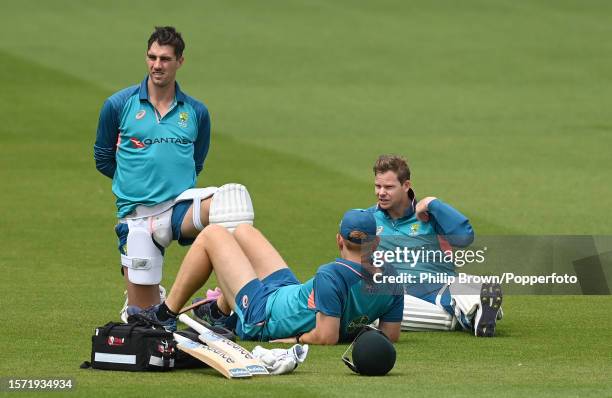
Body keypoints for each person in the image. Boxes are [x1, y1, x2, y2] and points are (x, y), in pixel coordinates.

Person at [93, 26, 254, 321]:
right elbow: (103, 158)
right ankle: (151, 301)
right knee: (145, 320)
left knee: (232, 203)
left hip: (179, 209)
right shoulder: (118, 105)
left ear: (180, 61)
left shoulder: (196, 112)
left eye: (165, 59)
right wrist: (133, 181)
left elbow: (196, 161)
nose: (157, 65)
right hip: (138, 217)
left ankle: (221, 304)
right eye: (152, 57)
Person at [128, 210, 403, 344]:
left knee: (213, 234)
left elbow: (325, 336)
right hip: (288, 293)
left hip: (264, 315)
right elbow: (389, 335)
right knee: (244, 232)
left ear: (339, 241)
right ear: (376, 243)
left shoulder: (332, 274)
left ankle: (165, 315)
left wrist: (288, 342)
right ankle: (222, 311)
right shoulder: (392, 279)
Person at [368, 154, 503, 337]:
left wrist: (433, 203)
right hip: (399, 293)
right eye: (378, 186)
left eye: (389, 187)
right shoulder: (368, 218)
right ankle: (469, 314)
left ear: (406, 185)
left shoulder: (429, 215)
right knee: (378, 306)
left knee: (462, 286)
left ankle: (471, 308)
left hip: (438, 284)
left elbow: (465, 238)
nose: (381, 192)